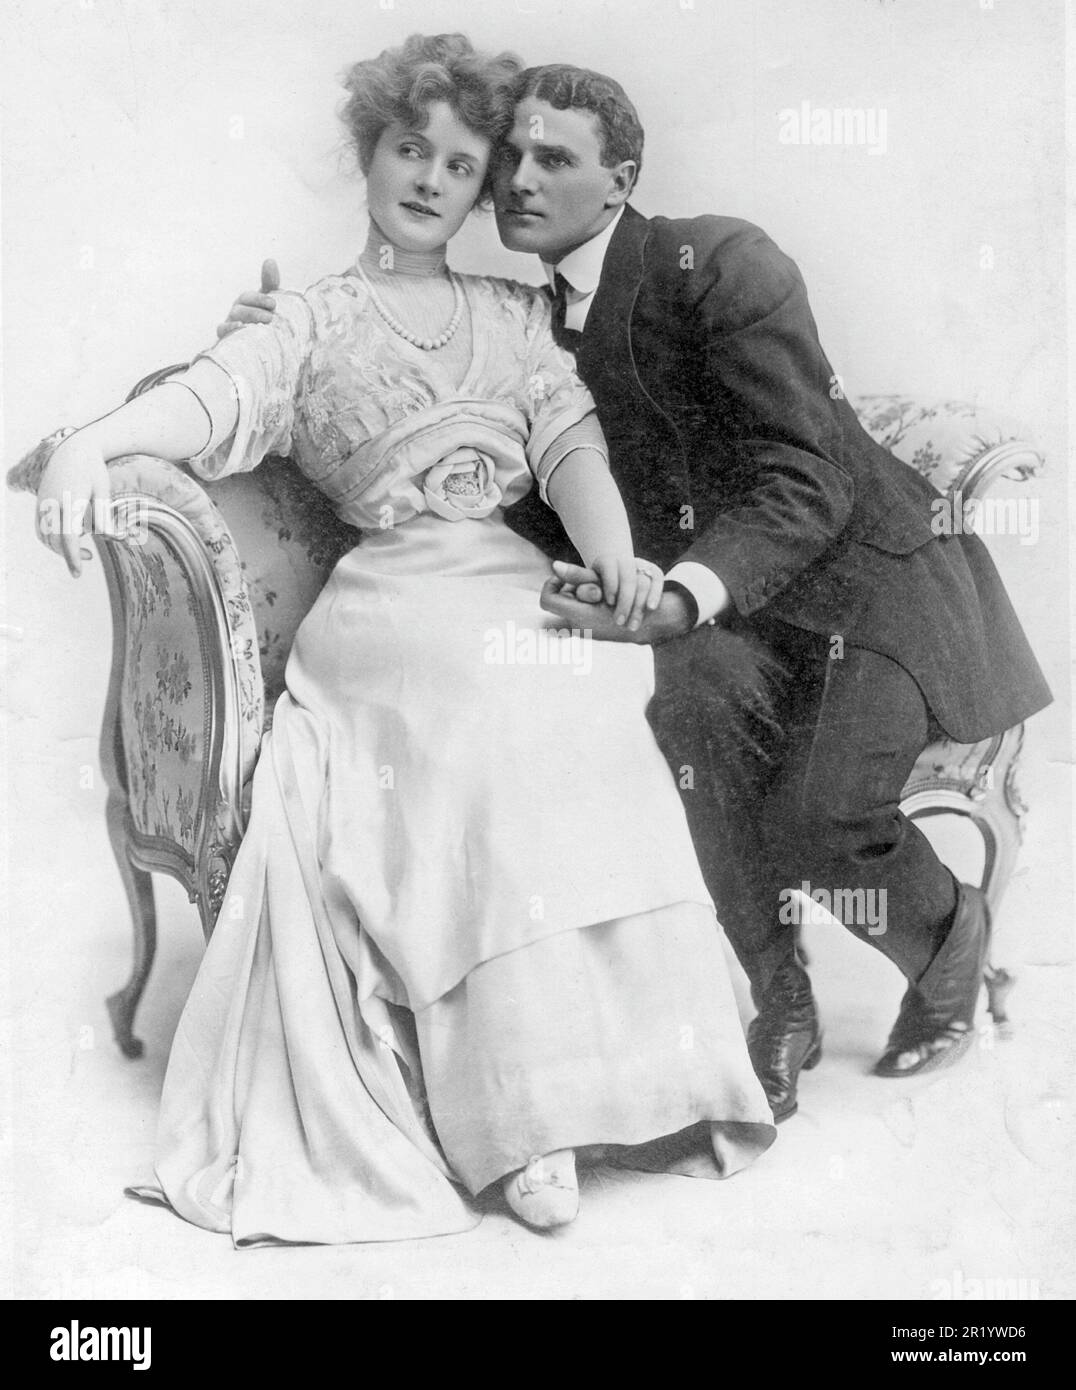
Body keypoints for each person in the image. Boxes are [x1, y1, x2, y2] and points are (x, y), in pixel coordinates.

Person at [31, 34, 775, 1244]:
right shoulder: (305, 322)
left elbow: (566, 440)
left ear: (486, 185)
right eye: (408, 148)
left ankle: (642, 1079)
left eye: (460, 161)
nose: (429, 177)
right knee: (479, 714)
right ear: (368, 152)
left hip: (510, 578)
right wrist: (89, 440)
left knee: (589, 704)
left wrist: (612, 553)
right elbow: (210, 399)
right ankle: (519, 1119)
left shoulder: (508, 310)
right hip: (392, 605)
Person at [225, 61, 1052, 1124]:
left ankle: (950, 938)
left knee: (818, 813)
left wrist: (687, 590)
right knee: (670, 719)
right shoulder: (519, 321)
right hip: (729, 611)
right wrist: (275, 344)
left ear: (618, 180)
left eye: (554, 160)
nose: (518, 180)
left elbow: (805, 477)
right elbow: (503, 470)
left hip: (867, 591)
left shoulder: (718, 262)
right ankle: (776, 995)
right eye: (510, 157)